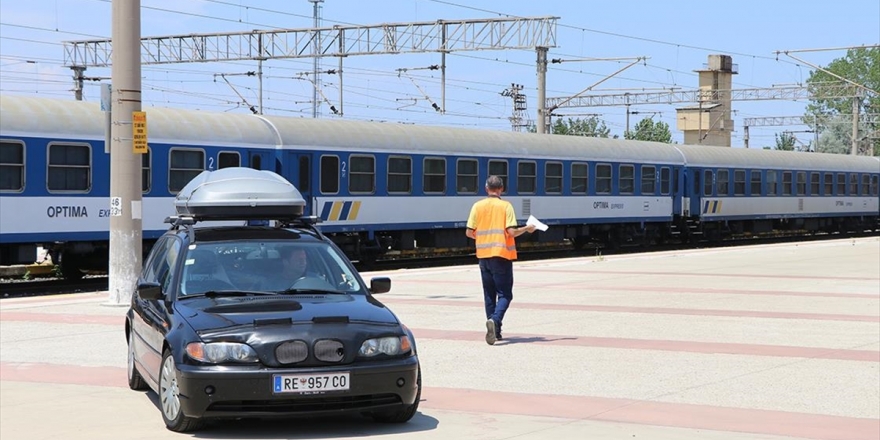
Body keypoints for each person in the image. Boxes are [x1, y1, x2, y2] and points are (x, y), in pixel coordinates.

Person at [466, 175, 536, 345]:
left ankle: (495, 332)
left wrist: (483, 238)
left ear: (486, 188)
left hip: (483, 256)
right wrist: (527, 228)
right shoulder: (506, 206)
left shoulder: (477, 206)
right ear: (502, 189)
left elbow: (469, 232)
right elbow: (511, 232)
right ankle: (495, 321)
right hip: (501, 255)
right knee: (505, 294)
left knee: (489, 295)